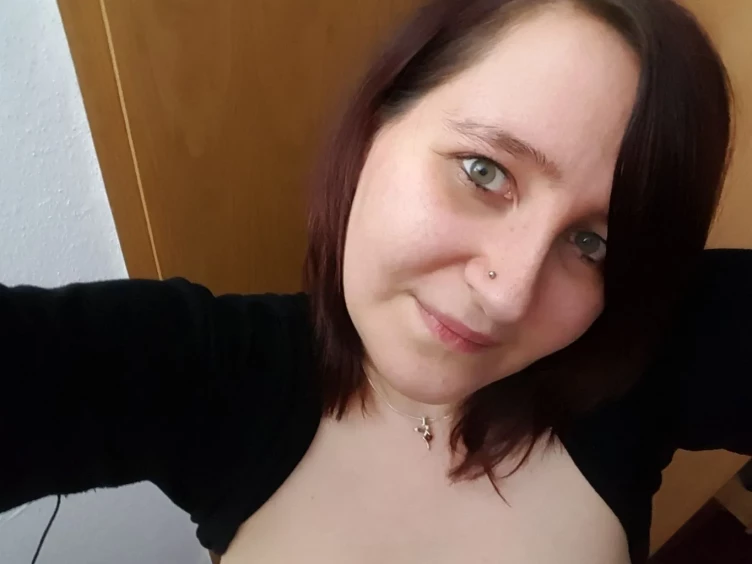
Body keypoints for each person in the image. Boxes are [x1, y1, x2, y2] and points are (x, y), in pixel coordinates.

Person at [2, 0, 750, 562]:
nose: (508, 294)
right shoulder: (209, 372)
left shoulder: (634, 351)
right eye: (484, 171)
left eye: (591, 242)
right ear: (376, 122)